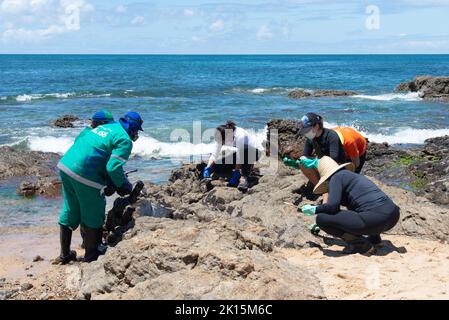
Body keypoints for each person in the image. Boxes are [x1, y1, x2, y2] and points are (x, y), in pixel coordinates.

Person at [53, 111, 143, 264]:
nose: (135, 135)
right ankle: (91, 255)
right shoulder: (125, 140)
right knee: (94, 211)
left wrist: (111, 180)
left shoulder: (107, 127)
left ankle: (65, 255)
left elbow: (97, 151)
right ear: (133, 129)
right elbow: (113, 167)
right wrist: (122, 185)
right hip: (84, 173)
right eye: (136, 131)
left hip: (66, 166)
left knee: (71, 208)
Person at [300, 156, 400, 254]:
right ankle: (375, 240)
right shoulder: (352, 176)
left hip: (376, 219)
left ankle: (360, 245)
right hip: (393, 216)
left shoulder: (336, 178)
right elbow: (366, 204)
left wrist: (315, 209)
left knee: (322, 219)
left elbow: (332, 207)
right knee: (364, 209)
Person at [203, 120, 263, 192]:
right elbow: (214, 154)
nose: (221, 143)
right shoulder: (222, 134)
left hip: (254, 152)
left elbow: (239, 157)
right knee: (217, 167)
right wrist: (208, 168)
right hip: (241, 154)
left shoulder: (240, 135)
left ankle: (244, 177)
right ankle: (237, 171)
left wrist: (236, 172)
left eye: (222, 142)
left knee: (244, 150)